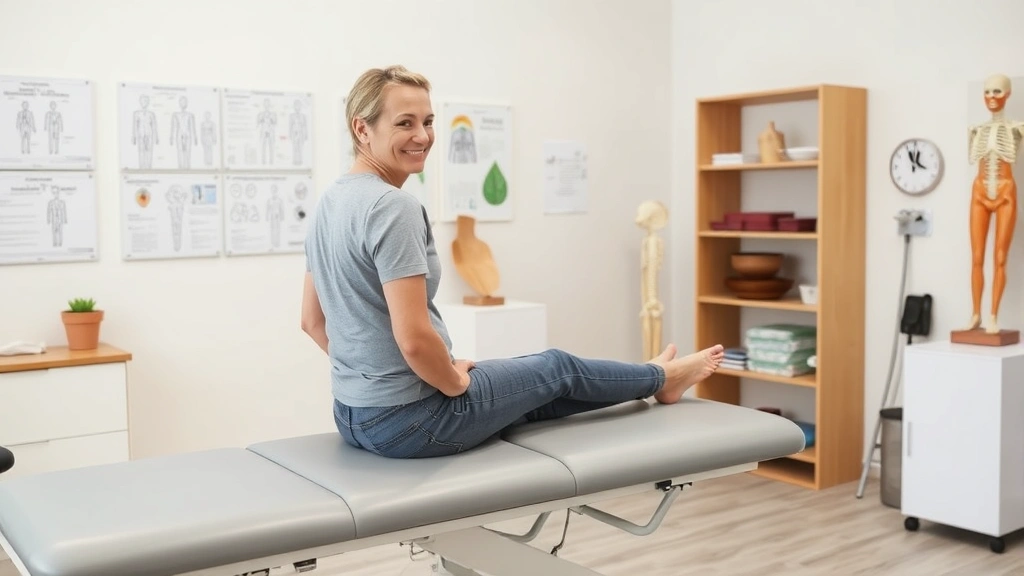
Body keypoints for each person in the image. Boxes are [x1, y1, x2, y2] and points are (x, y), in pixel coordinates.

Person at [301, 65, 725, 459]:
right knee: (557, 367)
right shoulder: (392, 208)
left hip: (353, 417)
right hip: (413, 421)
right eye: (404, 123)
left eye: (428, 121)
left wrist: (374, 380)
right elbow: (413, 339)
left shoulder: (329, 204)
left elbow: (312, 322)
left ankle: (653, 380)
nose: (423, 136)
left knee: (536, 390)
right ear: (362, 128)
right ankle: (662, 377)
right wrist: (453, 381)